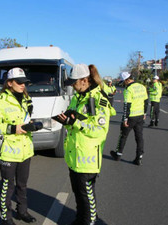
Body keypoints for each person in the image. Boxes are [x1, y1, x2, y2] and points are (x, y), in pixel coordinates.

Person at [56, 64, 115, 225]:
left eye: (75, 83)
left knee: (87, 197)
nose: (73, 87)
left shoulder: (99, 100)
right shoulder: (78, 97)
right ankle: (80, 219)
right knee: (78, 194)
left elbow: (99, 130)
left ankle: (88, 221)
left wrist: (75, 123)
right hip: (74, 156)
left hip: (87, 158)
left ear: (84, 80)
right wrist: (67, 121)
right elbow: (76, 119)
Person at [0, 67, 37, 225]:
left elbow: (27, 118)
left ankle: (22, 211)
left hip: (25, 150)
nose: (23, 85)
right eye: (19, 82)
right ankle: (6, 217)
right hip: (8, 152)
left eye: (25, 82)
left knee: (22, 185)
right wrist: (12, 128)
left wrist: (31, 125)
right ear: (9, 83)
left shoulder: (27, 99)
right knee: (7, 187)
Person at [110, 72, 148, 166]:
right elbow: (146, 101)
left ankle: (118, 155)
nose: (124, 84)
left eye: (124, 82)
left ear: (127, 80)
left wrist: (125, 119)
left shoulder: (128, 89)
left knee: (123, 135)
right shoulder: (142, 86)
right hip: (140, 116)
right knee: (139, 137)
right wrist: (144, 113)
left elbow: (127, 106)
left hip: (131, 116)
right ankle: (139, 158)